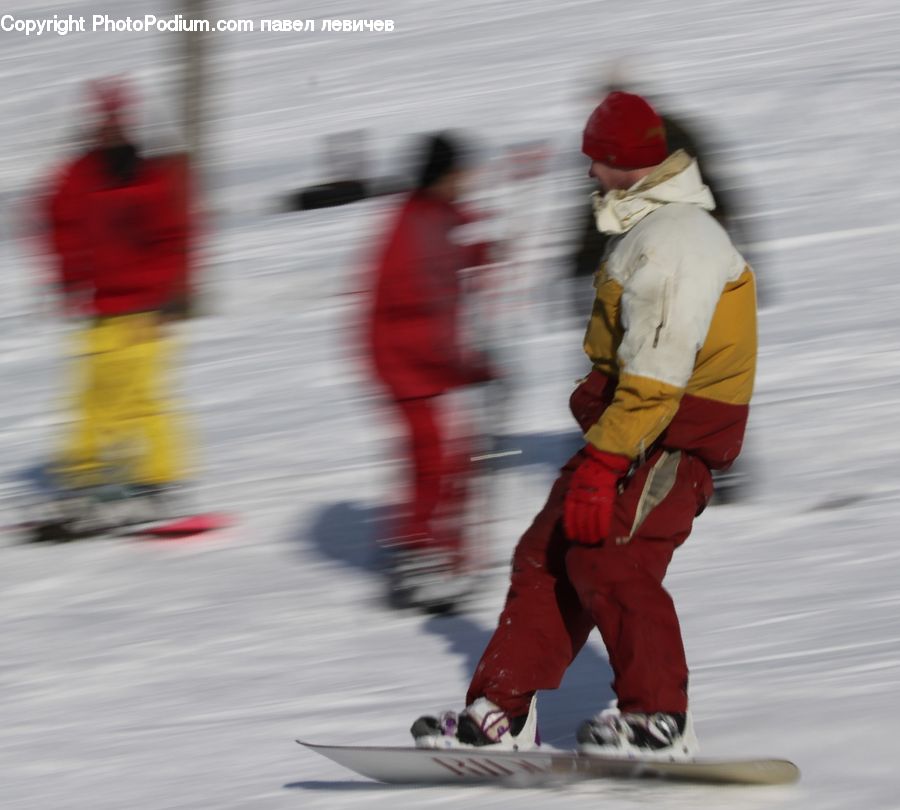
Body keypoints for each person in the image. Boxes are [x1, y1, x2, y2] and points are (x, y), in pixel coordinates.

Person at [411, 92, 757, 759]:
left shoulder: (675, 241)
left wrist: (602, 464)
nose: (587, 174)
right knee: (544, 554)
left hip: (668, 440)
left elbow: (658, 375)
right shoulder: (644, 228)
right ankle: (497, 713)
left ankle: (659, 721)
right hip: (628, 432)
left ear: (619, 161)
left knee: (613, 560)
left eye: (593, 160)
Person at [35, 78, 195, 540]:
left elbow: (174, 235)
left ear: (127, 121)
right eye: (101, 120)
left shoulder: (147, 173)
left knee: (140, 399)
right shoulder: (78, 175)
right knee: (89, 399)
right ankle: (85, 485)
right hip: (100, 307)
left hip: (143, 308)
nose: (107, 127)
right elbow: (55, 220)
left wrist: (168, 293)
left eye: (114, 119)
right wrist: (68, 276)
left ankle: (157, 482)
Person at [368, 133, 495, 612]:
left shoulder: (428, 216)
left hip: (417, 360)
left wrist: (478, 249)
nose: (468, 182)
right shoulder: (414, 228)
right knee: (435, 460)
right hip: (405, 362)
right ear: (444, 175)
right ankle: (417, 564)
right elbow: (420, 306)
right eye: (462, 174)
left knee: (447, 458)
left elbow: (449, 245)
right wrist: (468, 367)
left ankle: (438, 556)